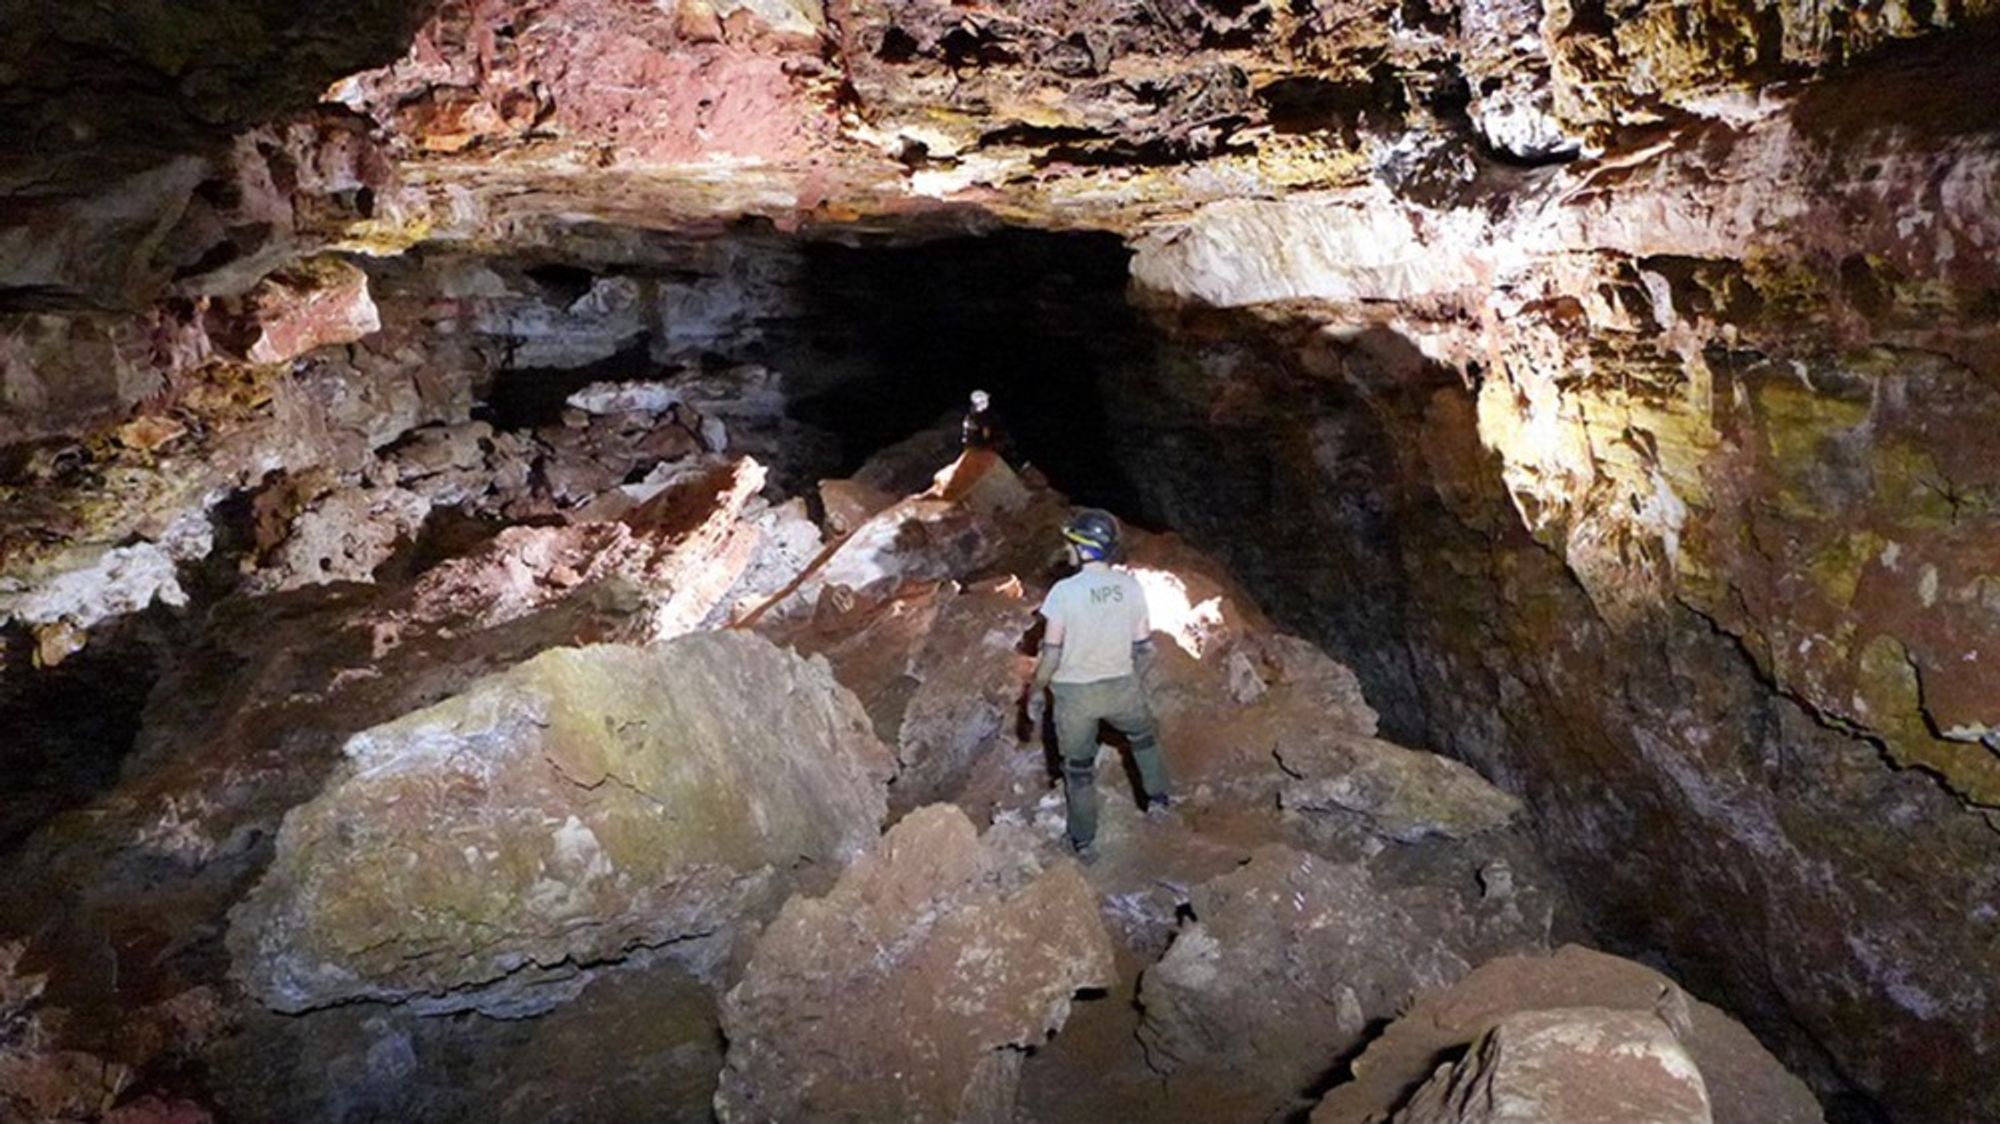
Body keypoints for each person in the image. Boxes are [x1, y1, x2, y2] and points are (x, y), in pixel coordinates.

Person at [1025, 508, 1173, 860]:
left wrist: (1035, 690)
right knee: (1144, 739)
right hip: (1121, 686)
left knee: (1078, 771)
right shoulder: (1130, 586)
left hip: (1076, 696)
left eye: (1071, 542)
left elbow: (1051, 651)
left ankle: (1084, 841)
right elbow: (1143, 645)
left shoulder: (1063, 592)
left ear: (1086, 547)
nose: (1067, 548)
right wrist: (1126, 675)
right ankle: (1159, 801)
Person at [961, 389, 1007, 454]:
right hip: (977, 448)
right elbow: (986, 433)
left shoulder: (972, 416)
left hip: (972, 447)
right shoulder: (981, 416)